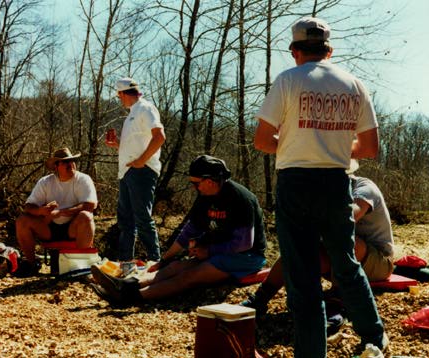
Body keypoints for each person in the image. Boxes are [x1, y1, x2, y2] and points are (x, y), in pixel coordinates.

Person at [253, 17, 387, 357]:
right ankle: (374, 336)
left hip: (296, 182)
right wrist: (338, 147)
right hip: (336, 183)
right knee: (345, 263)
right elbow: (370, 148)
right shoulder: (354, 84)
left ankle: (312, 352)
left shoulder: (287, 81)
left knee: (302, 272)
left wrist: (296, 142)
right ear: (330, 50)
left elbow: (262, 140)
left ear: (295, 51)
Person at [90, 155, 267, 305]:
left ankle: (130, 298)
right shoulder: (205, 196)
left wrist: (209, 251)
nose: (194, 187)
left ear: (210, 181)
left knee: (189, 276)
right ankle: (127, 285)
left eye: (196, 183)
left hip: (248, 256)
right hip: (222, 251)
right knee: (175, 267)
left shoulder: (240, 199)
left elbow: (244, 243)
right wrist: (164, 260)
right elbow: (189, 231)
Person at [243, 168, 395, 320]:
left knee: (344, 238)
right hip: (342, 259)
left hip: (380, 261)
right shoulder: (325, 193)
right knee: (295, 250)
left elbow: (348, 219)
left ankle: (336, 302)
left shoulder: (365, 189)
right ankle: (260, 298)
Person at [105, 77, 166, 273]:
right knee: (126, 220)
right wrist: (118, 145)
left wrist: (142, 161)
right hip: (127, 172)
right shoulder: (132, 114)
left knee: (141, 217)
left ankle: (155, 261)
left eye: (119, 95)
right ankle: (126, 264)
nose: (119, 99)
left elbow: (160, 137)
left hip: (141, 171)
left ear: (123, 94)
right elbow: (137, 144)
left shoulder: (145, 108)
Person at [15, 147, 98, 277]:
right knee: (22, 220)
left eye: (72, 161)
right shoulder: (45, 182)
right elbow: (28, 206)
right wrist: (41, 211)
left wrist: (61, 212)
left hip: (74, 228)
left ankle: (82, 268)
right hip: (49, 229)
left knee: (86, 216)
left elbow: (90, 205)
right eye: (65, 162)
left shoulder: (83, 179)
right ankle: (31, 264)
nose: (70, 164)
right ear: (56, 166)